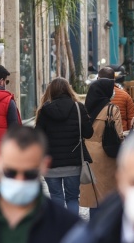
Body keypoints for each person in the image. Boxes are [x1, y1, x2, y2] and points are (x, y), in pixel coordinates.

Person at [35, 77, 94, 214]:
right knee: (72, 198)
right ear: (69, 90)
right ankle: (71, 229)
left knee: (56, 198)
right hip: (73, 163)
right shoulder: (79, 108)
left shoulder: (45, 110)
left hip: (50, 163)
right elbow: (88, 133)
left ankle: (59, 230)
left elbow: (37, 136)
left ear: (51, 91)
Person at [81, 78, 124, 219]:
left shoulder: (85, 109)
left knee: (93, 195)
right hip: (107, 154)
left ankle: (93, 223)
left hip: (88, 153)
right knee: (107, 193)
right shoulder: (112, 109)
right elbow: (118, 134)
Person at [98, 67, 134, 131]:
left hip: (99, 135)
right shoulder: (125, 95)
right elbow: (132, 118)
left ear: (98, 79)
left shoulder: (93, 96)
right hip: (121, 134)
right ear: (114, 79)